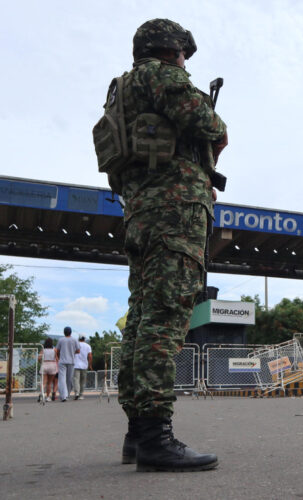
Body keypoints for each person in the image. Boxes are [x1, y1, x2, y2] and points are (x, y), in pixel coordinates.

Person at [108, 18, 227, 472]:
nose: (185, 62)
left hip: (140, 210)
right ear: (171, 49)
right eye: (182, 53)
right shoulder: (162, 76)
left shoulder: (123, 87)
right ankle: (157, 437)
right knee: (164, 318)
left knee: (141, 318)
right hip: (174, 210)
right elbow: (209, 125)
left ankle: (138, 433)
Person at [55, 326, 80, 402]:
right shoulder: (74, 340)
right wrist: (72, 352)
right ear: (71, 332)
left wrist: (59, 357)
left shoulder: (61, 340)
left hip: (62, 361)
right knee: (69, 379)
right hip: (71, 361)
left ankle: (63, 396)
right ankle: (67, 394)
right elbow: (78, 351)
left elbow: (57, 350)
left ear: (64, 332)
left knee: (62, 379)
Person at [38, 338, 58, 402]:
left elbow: (39, 358)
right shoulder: (54, 350)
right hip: (52, 364)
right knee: (49, 383)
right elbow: (57, 359)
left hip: (45, 364)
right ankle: (47, 397)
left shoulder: (43, 350)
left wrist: (41, 363)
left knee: (44, 382)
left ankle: (41, 394)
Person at [73, 335, 92, 400]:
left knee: (76, 379)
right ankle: (81, 394)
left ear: (79, 338)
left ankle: (76, 393)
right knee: (83, 381)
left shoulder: (75, 345)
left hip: (76, 364)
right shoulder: (88, 346)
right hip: (84, 365)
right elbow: (90, 356)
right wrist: (90, 364)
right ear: (84, 338)